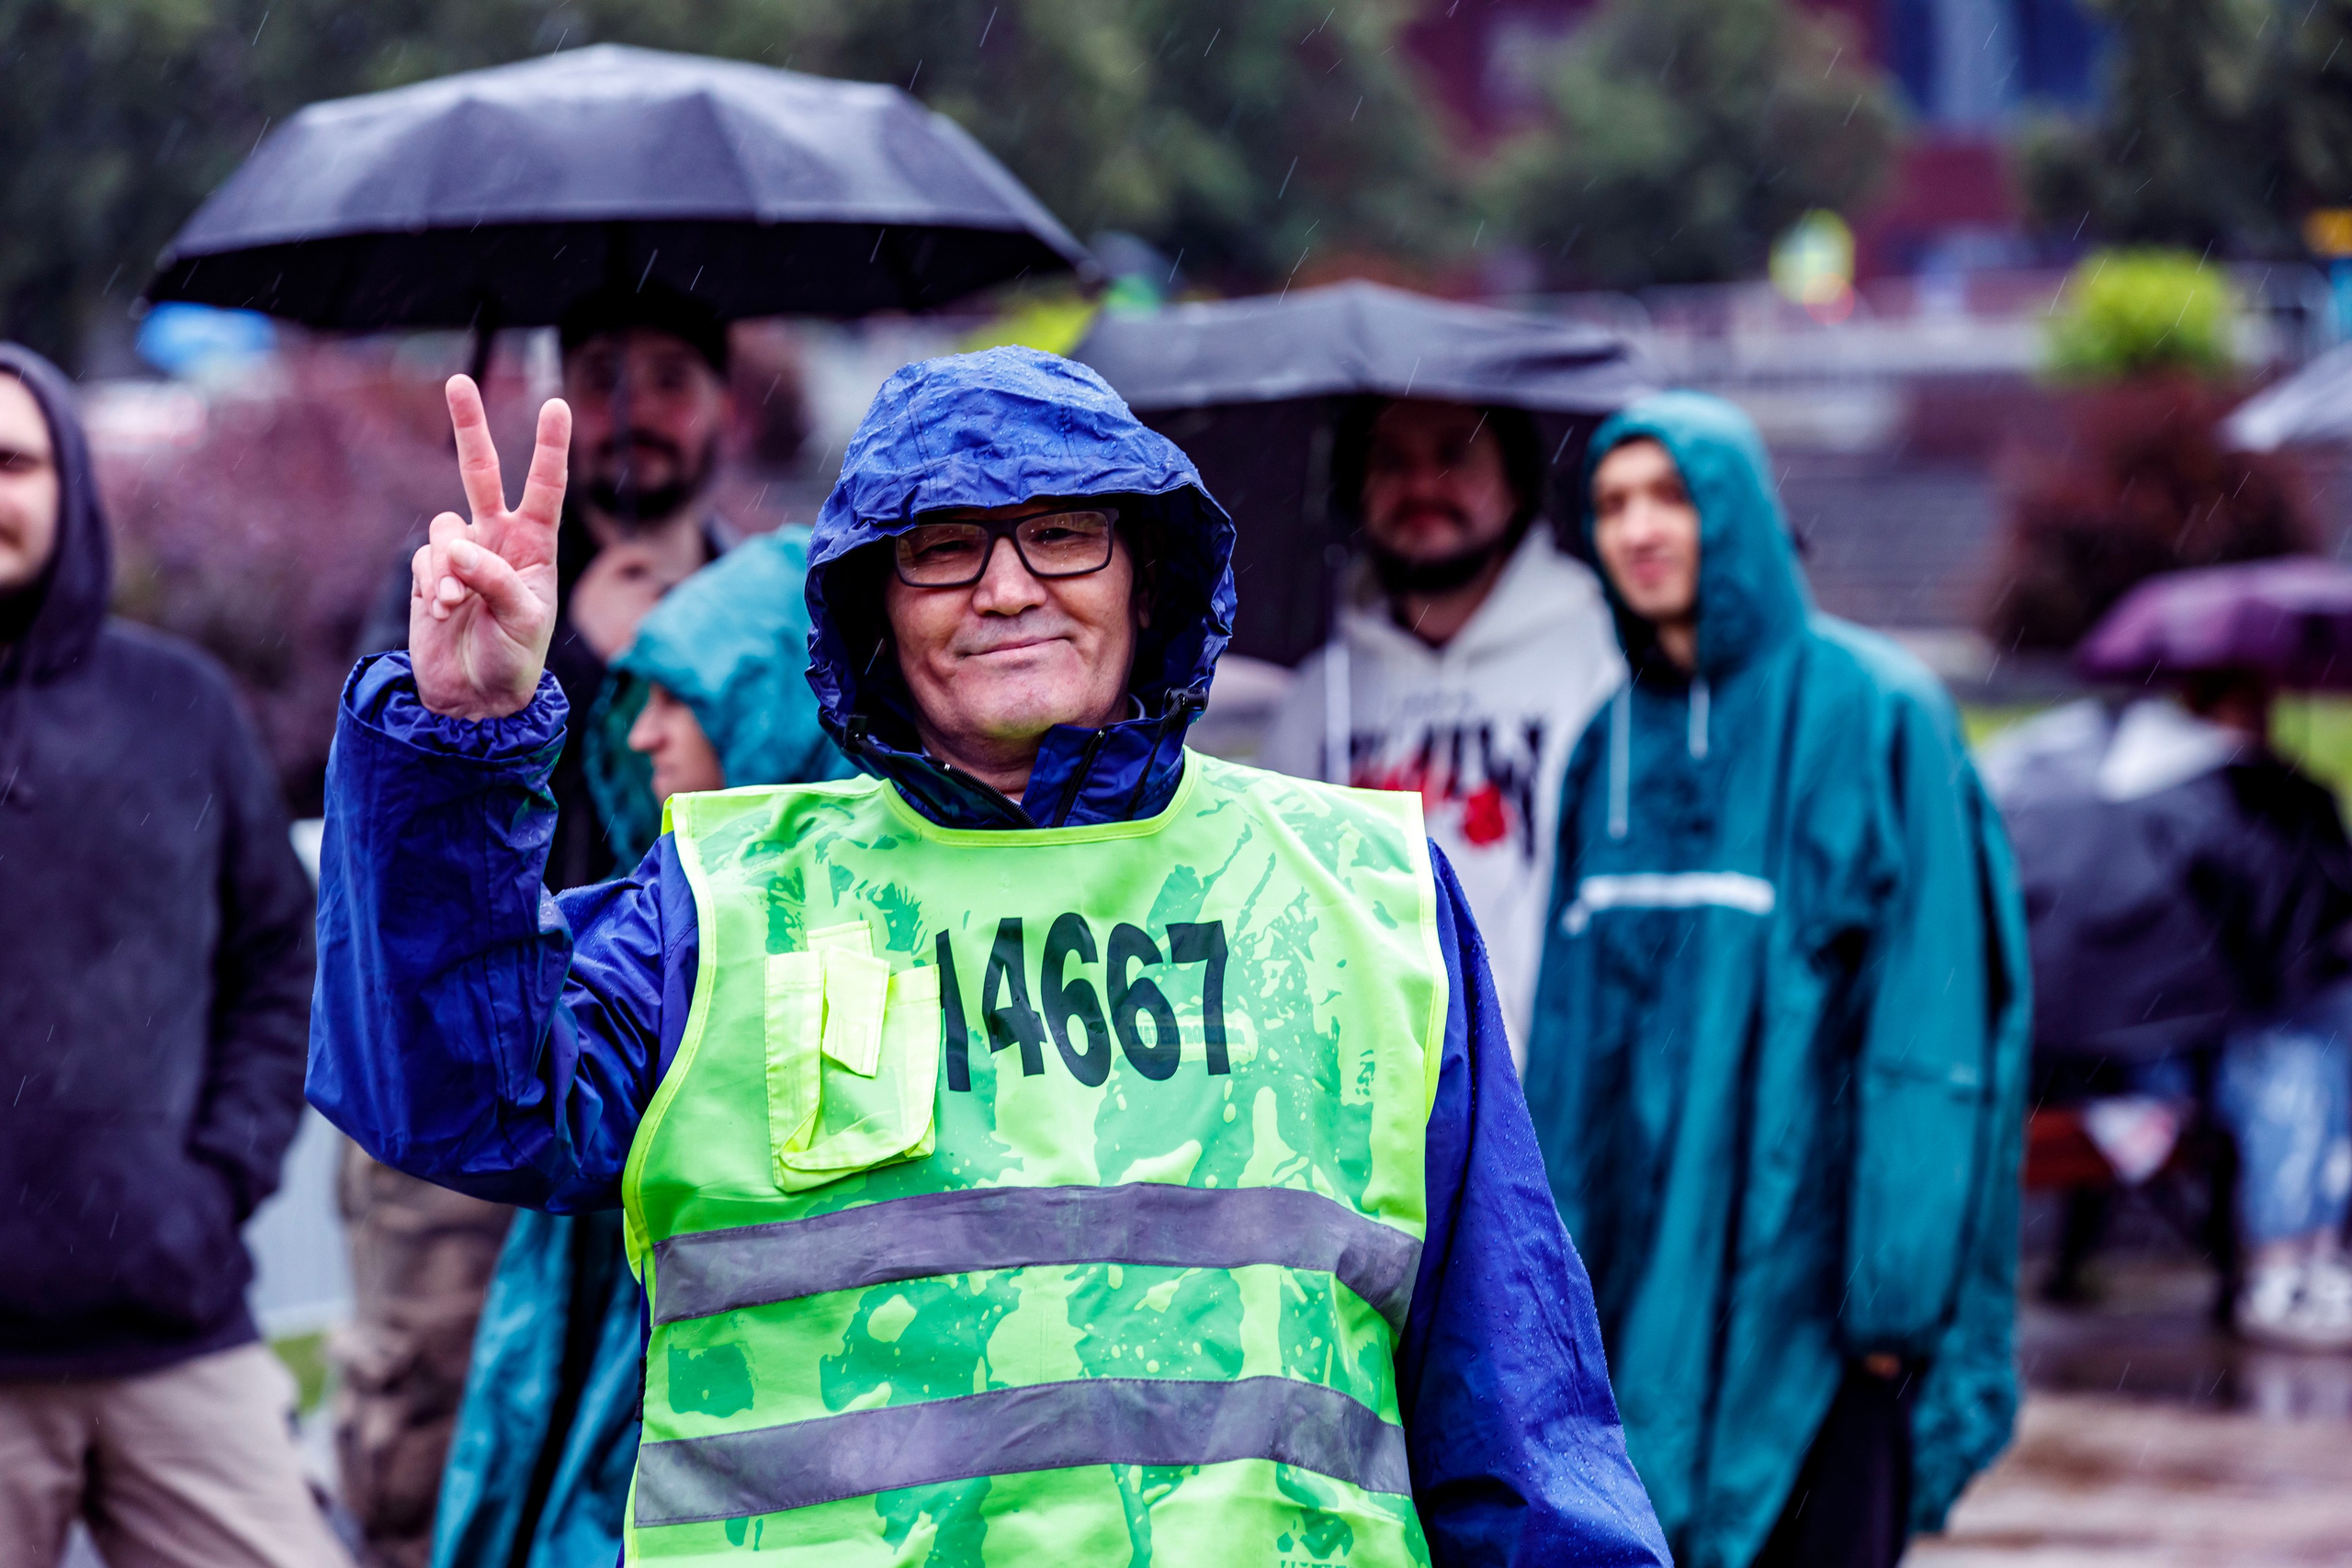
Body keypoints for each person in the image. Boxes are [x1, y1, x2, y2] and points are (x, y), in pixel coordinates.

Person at [311, 347, 1671, 1564]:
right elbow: (462, 1097)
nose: (1009, 587)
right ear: (872, 608)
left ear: (1146, 574)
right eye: (945, 546)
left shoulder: (1365, 890)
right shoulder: (724, 902)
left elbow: (1515, 1403)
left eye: (1064, 534)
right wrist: (463, 739)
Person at [1522, 392, 2030, 1568]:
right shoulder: (1605, 749)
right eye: (1611, 504)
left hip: (1817, 1314)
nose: (1640, 529)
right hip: (1636, 1292)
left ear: (1737, 512)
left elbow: (1932, 1023)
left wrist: (1890, 1302)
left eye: (1671, 497)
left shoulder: (1877, 714)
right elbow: (1564, 1045)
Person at [335, 282, 740, 1568]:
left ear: (721, 406)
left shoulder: (771, 600)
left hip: (685, 1079)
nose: (636, 411)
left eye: (669, 378)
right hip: (492, 1058)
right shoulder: (463, 580)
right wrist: (560, 660)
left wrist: (672, 649)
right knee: (443, 1421)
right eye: (605, 373)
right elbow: (399, 836)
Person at [435, 528, 850, 1568]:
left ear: (771, 706)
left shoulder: (844, 952)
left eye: (677, 698)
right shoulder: (658, 935)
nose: (640, 734)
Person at [0, 345, 343, 1564]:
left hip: (174, 1320)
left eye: (10, 462)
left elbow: (278, 956)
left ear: (69, 483)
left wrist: (215, 1185)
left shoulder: (180, 706)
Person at [1987, 673, 2352, 1346]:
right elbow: (2300, 949)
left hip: (2047, 1057)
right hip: (2142, 1067)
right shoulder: (2231, 796)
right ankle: (2288, 1262)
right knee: (2299, 1040)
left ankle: (2292, 1260)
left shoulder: (2048, 773)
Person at [1261, 397, 1621, 1060]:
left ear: (1517, 482)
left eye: (1455, 456)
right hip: (1374, 1101)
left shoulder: (1603, 663)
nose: (1423, 486)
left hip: (1561, 1093)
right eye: (1391, 462)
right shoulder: (1317, 698)